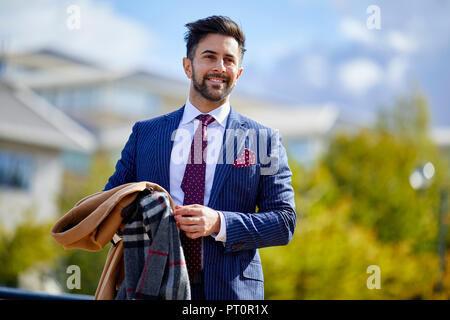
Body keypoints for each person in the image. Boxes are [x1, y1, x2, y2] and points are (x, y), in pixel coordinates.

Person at [104, 15, 296, 300]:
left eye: (229, 60)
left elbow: (284, 222)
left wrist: (219, 223)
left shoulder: (264, 140)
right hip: (151, 285)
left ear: (239, 73)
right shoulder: (146, 134)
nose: (220, 68)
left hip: (231, 293)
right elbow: (110, 203)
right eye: (209, 56)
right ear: (187, 65)